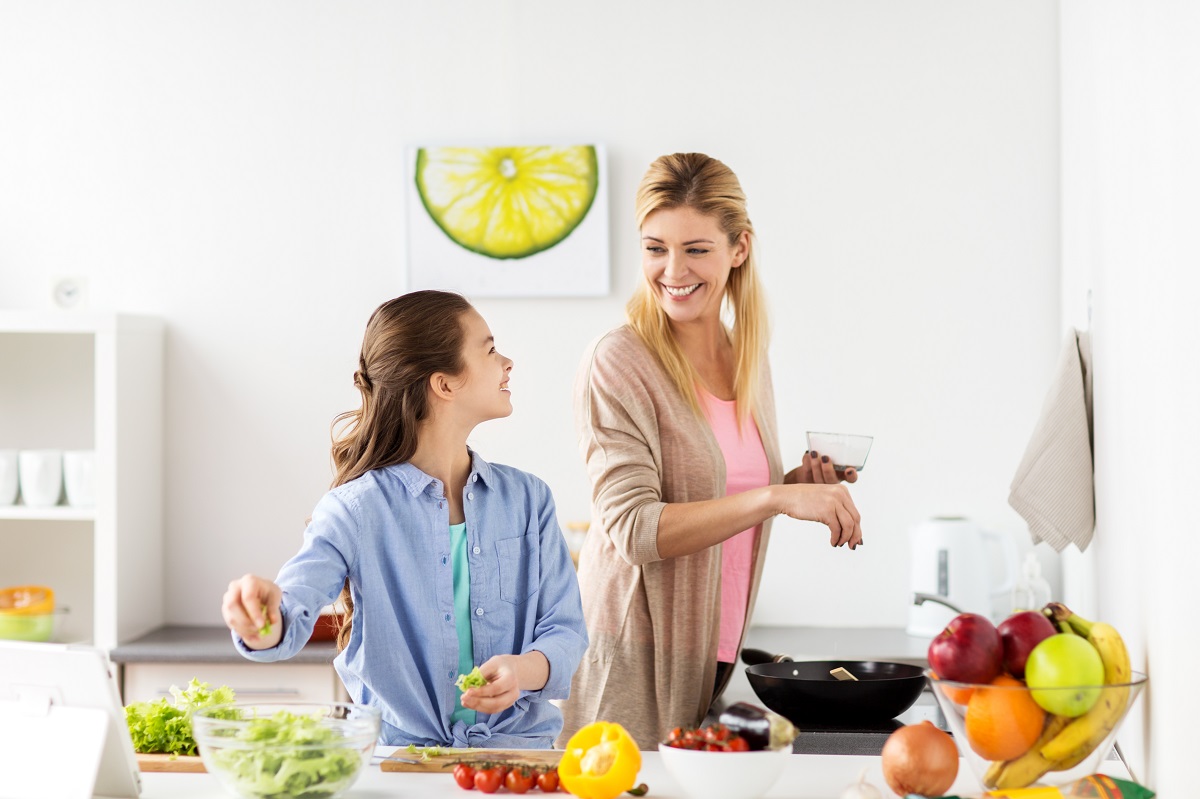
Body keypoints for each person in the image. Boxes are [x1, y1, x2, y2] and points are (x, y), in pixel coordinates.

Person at [557, 153, 865, 749]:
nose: (673, 270)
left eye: (696, 249)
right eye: (655, 248)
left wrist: (796, 482)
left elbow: (720, 484)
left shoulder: (745, 355)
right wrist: (775, 497)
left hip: (710, 652)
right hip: (632, 657)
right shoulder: (618, 362)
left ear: (739, 248)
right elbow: (634, 529)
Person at [221, 290, 588, 748]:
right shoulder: (353, 510)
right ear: (445, 384)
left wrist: (522, 671)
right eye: (490, 349)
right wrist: (259, 621)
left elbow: (566, 630)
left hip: (517, 759)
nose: (507, 362)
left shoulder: (529, 499)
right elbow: (291, 614)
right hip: (403, 764)